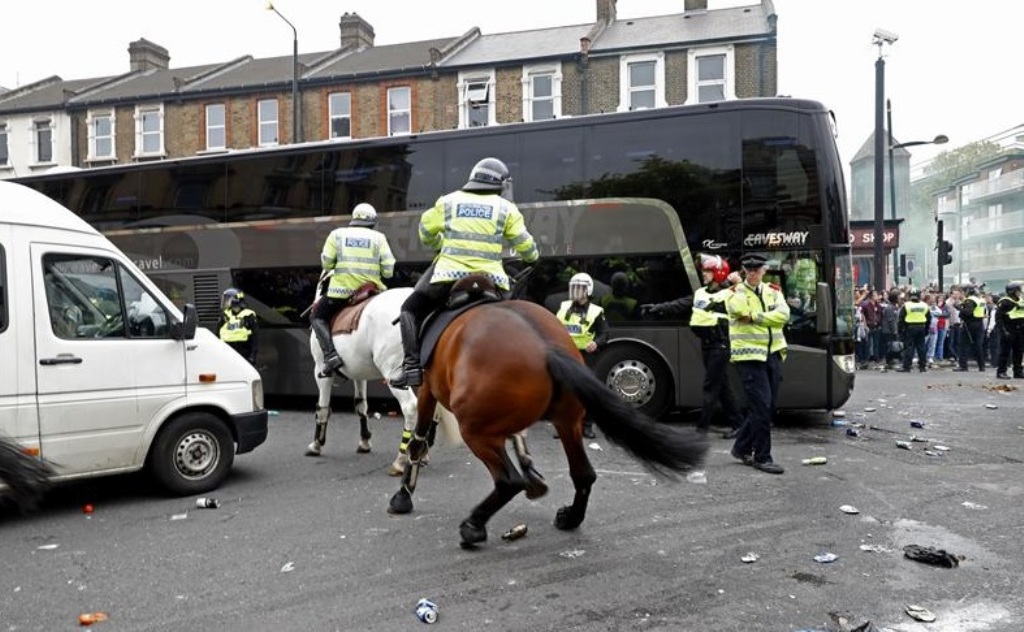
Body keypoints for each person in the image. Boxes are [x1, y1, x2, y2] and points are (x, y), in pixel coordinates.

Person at [392, 157, 539, 388]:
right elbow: (526, 246)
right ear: (500, 183)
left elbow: (424, 232)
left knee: (409, 310)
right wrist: (532, 257)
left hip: (448, 277)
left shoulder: (448, 202)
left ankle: (411, 368)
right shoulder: (507, 209)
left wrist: (439, 242)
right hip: (492, 281)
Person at [642, 254, 744, 437]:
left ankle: (702, 429)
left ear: (719, 273)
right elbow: (681, 304)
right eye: (704, 271)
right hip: (707, 345)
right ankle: (738, 425)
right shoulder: (701, 293)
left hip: (719, 346)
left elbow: (745, 302)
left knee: (710, 386)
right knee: (721, 386)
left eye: (708, 271)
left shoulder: (729, 294)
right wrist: (657, 307)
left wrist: (739, 283)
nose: (704, 274)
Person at [311, 202, 396, 375]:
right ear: (373, 222)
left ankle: (330, 356)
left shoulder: (337, 235)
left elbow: (326, 263)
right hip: (371, 292)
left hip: (341, 292)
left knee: (317, 316)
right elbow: (388, 270)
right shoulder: (379, 238)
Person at [726, 253, 789, 475]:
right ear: (743, 270)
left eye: (757, 269)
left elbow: (783, 315)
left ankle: (741, 447)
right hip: (749, 357)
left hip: (772, 355)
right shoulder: (734, 293)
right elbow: (740, 311)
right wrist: (765, 314)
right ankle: (762, 457)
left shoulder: (774, 290)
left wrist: (755, 318)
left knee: (767, 407)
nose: (753, 273)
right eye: (748, 269)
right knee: (761, 406)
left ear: (764, 270)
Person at [557, 272, 608, 438]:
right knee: (564, 391)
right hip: (566, 354)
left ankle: (587, 426)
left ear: (588, 291)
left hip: (586, 355)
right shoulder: (563, 306)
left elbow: (604, 333)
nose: (576, 291)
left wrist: (596, 343)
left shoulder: (596, 311)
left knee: (587, 391)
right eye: (574, 287)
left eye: (579, 287)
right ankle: (564, 425)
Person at [218, 288, 258, 365]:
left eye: (227, 299)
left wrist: (253, 355)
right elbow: (216, 335)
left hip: (244, 352)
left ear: (235, 300)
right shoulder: (225, 316)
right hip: (227, 352)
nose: (225, 302)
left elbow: (255, 337)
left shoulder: (248, 315)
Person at [953, 285, 986, 372]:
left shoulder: (970, 300)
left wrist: (958, 307)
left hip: (970, 324)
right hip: (980, 324)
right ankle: (981, 366)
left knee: (963, 345)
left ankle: (963, 366)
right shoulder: (981, 300)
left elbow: (967, 312)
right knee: (978, 346)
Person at [896, 289, 930, 373]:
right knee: (921, 348)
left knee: (909, 348)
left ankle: (907, 367)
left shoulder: (906, 305)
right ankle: (922, 367)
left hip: (910, 328)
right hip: (921, 327)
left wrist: (901, 330)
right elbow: (929, 319)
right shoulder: (924, 305)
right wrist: (926, 329)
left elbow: (901, 319)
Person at [995, 281, 1024, 379]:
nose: (1020, 292)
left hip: (1019, 330)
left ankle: (1018, 371)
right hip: (1008, 329)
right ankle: (1001, 371)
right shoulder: (1005, 301)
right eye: (1018, 290)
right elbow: (998, 318)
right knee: (1005, 352)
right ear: (1013, 291)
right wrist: (1003, 330)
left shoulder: (1020, 300)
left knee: (1019, 352)